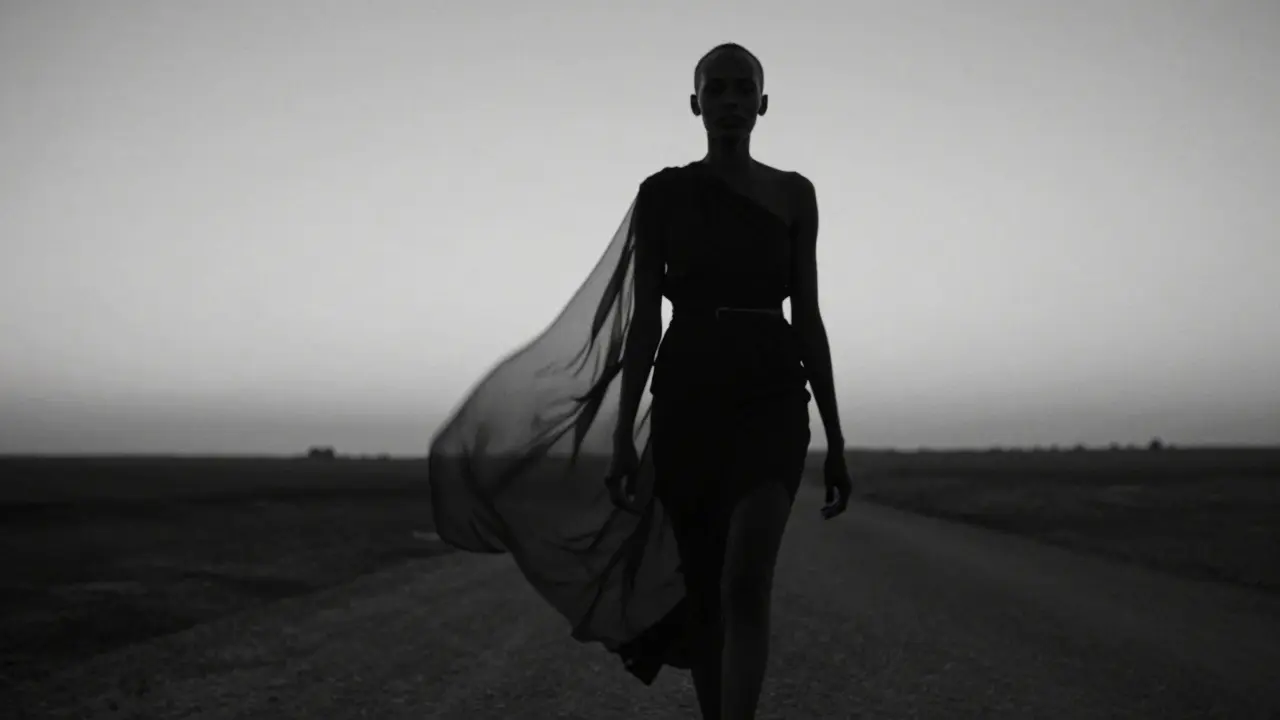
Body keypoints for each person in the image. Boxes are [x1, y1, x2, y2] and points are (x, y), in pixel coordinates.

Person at [428, 42, 853, 720]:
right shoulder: (663, 196)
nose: (733, 100)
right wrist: (625, 434)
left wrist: (834, 436)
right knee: (707, 589)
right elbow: (642, 326)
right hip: (687, 395)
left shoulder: (795, 195)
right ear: (695, 104)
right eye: (717, 89)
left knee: (746, 580)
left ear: (765, 104)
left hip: (772, 393)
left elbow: (810, 316)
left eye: (745, 88)